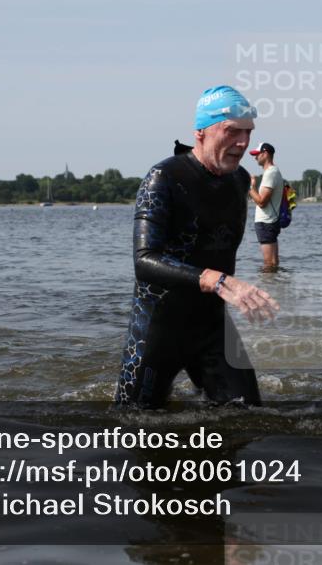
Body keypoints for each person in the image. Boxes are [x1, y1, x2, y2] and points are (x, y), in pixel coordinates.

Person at [115, 85, 280, 409]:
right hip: (158, 328)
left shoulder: (238, 181)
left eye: (248, 132)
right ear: (200, 132)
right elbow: (145, 261)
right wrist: (218, 280)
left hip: (211, 326)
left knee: (250, 417)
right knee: (130, 423)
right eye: (232, 131)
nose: (243, 142)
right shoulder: (163, 178)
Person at [247, 142, 283, 270]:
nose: (255, 157)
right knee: (273, 262)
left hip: (266, 222)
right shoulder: (273, 172)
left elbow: (262, 202)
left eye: (257, 154)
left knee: (269, 264)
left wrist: (249, 187)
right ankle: (275, 281)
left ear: (265, 153)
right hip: (270, 221)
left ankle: (268, 281)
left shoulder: (270, 173)